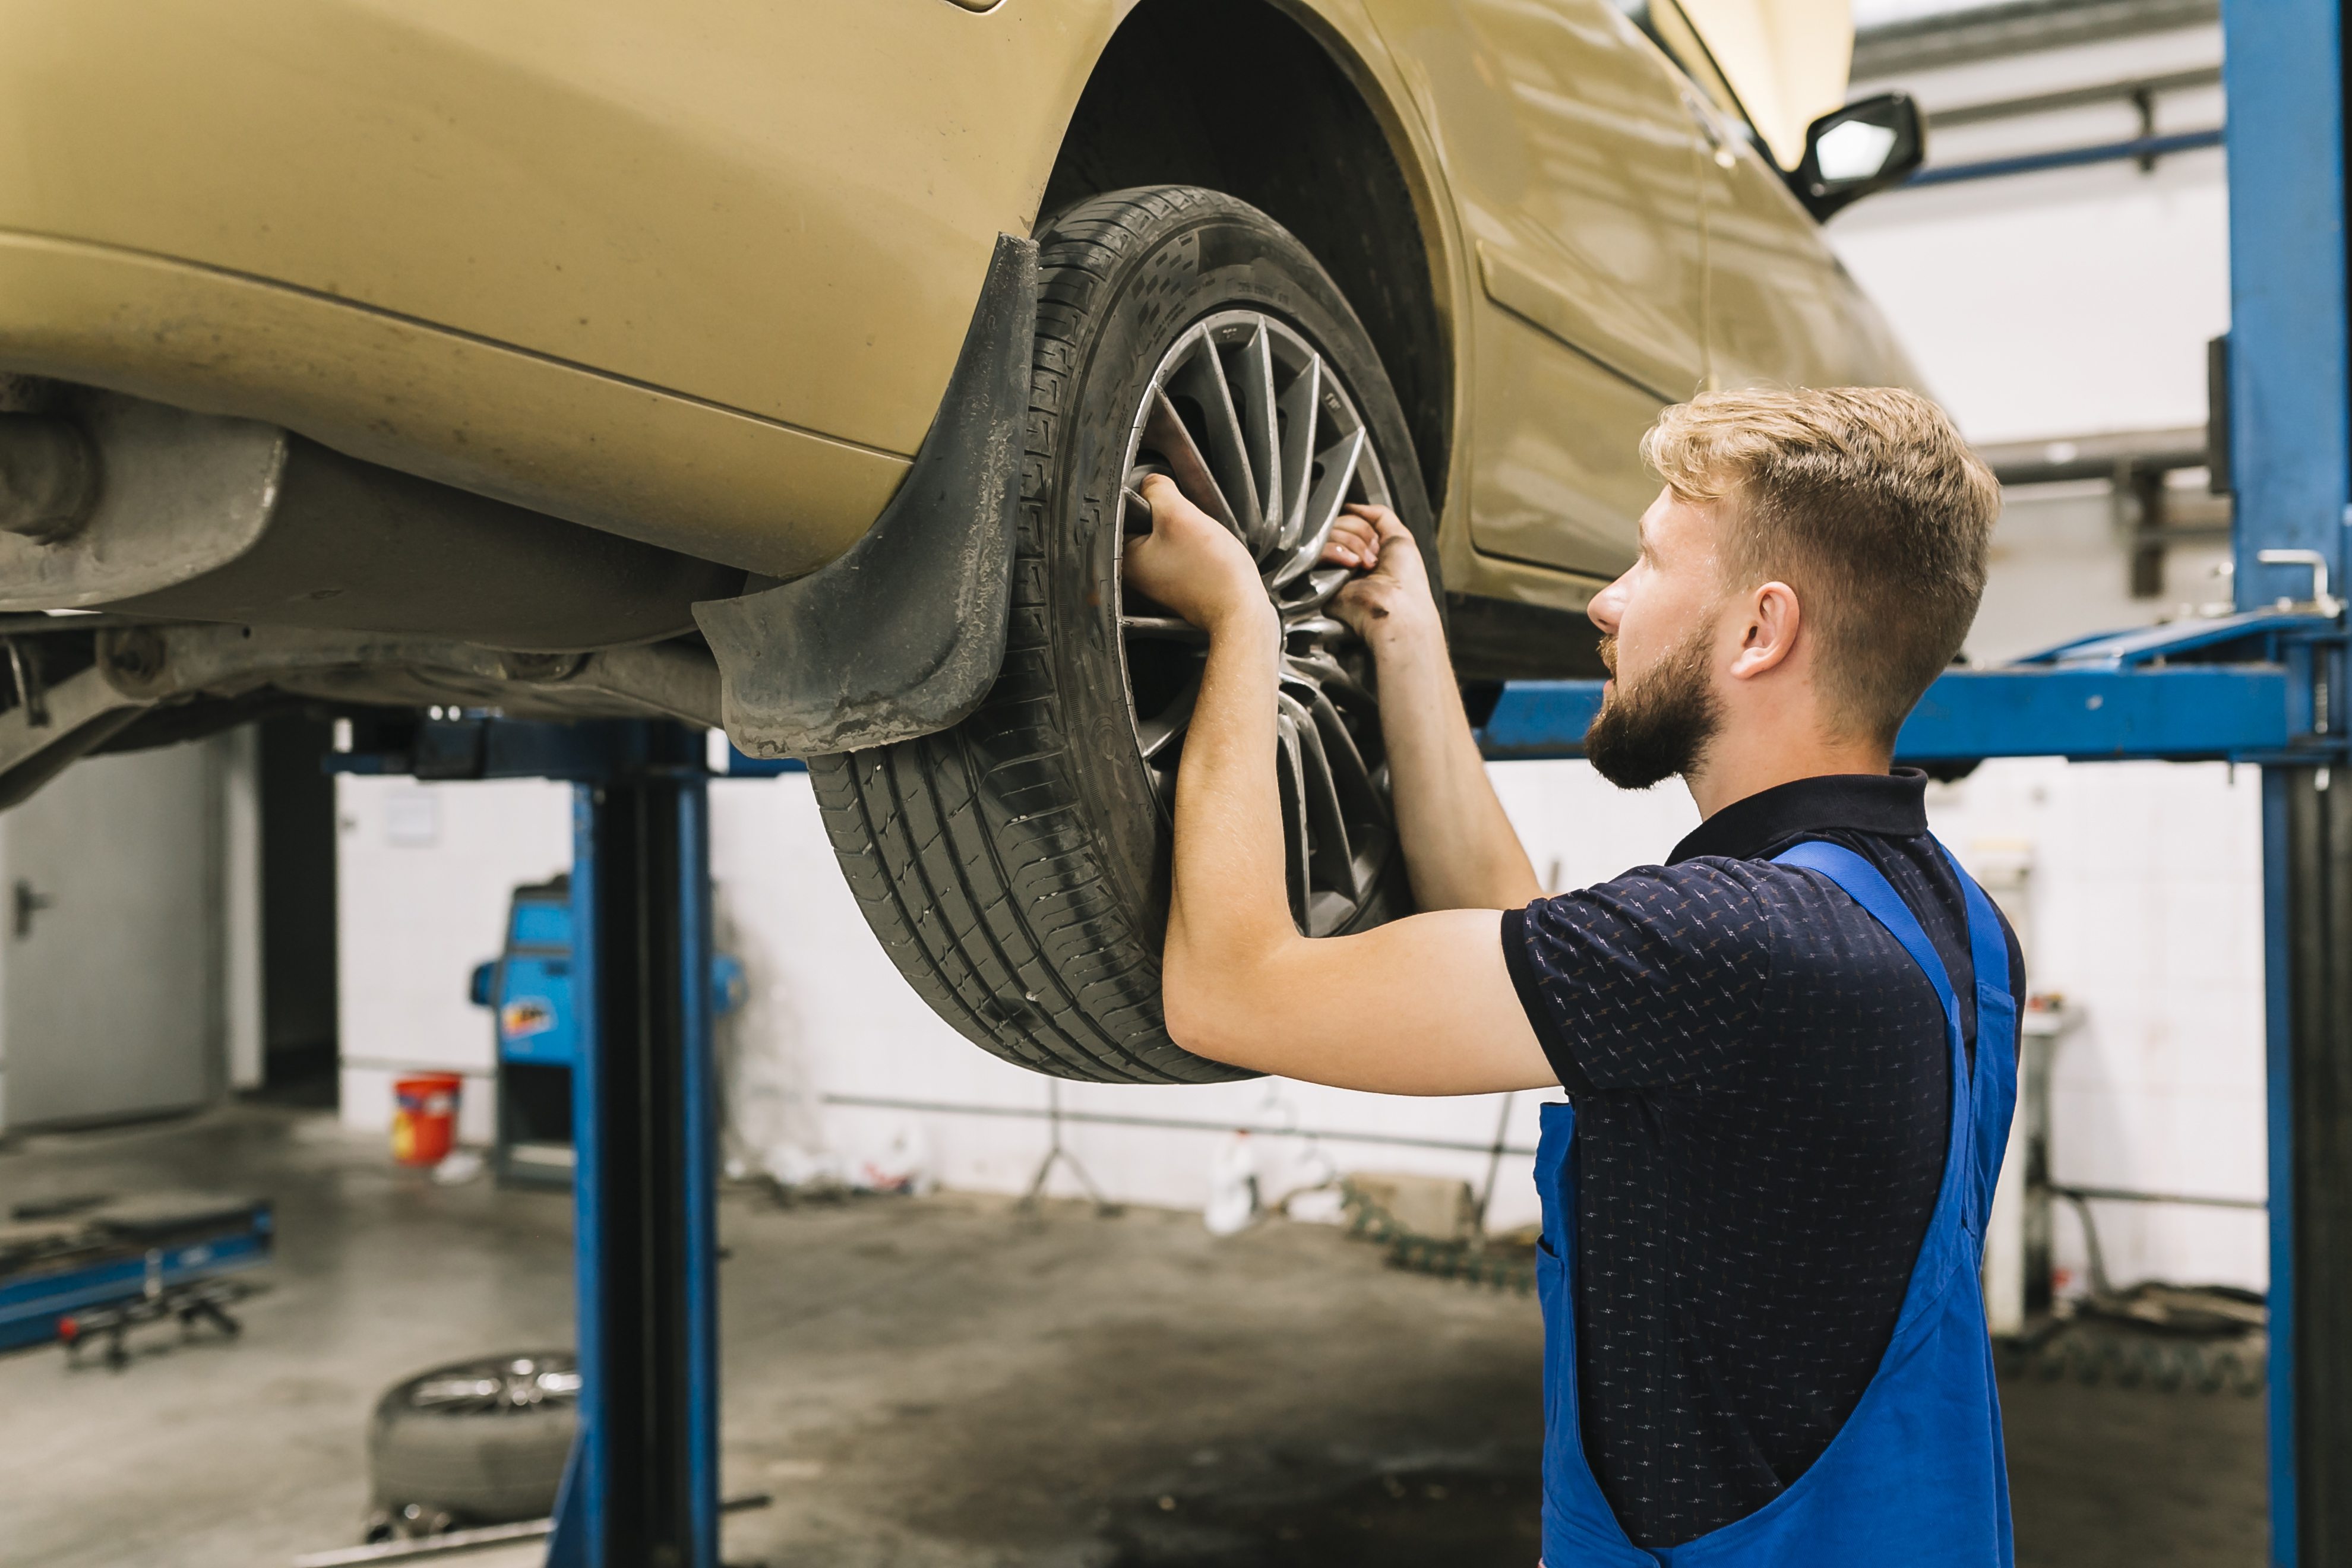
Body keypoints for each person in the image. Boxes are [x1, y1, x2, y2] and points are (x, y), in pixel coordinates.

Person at [1122, 385, 2022, 1566]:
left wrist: (1242, 620)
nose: (1604, 604)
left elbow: (1230, 992)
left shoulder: (1731, 944)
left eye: (1646, 565)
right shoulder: (1950, 918)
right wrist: (1405, 638)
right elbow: (1528, 942)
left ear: (1762, 630)